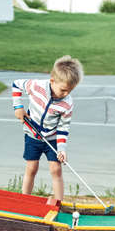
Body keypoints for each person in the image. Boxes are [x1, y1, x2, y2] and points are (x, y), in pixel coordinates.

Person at [12, 55, 83, 201]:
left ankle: (59, 204)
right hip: (32, 135)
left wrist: (62, 148)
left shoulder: (67, 103)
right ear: (52, 81)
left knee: (56, 170)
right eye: (63, 90)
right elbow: (16, 84)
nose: (66, 94)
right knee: (31, 168)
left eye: (70, 90)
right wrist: (18, 107)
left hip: (52, 139)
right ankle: (24, 201)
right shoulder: (36, 86)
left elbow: (64, 127)